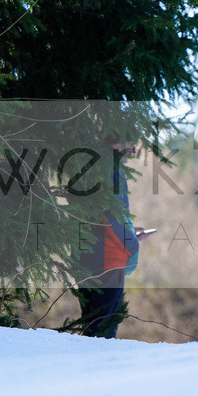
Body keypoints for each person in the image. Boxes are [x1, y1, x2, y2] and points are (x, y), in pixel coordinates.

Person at [74, 140, 152, 338]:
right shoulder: (110, 169)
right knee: (103, 332)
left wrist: (130, 231)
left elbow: (102, 218)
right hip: (107, 262)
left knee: (92, 328)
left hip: (85, 259)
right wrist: (133, 245)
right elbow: (112, 217)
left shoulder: (88, 164)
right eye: (130, 143)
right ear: (114, 141)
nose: (133, 150)